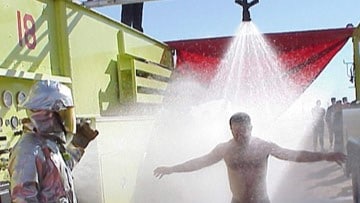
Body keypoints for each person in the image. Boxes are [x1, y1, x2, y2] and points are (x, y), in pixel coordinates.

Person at [153, 112, 346, 203]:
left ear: (251, 128)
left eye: (244, 130)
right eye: (236, 131)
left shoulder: (263, 147)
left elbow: (294, 155)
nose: (240, 135)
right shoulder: (225, 149)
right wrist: (172, 169)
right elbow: (200, 162)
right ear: (231, 130)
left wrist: (325, 156)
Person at [8, 80, 99, 202]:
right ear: (48, 114)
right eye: (64, 114)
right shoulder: (28, 151)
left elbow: (59, 172)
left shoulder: (48, 144)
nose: (67, 120)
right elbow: (23, 198)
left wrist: (77, 145)